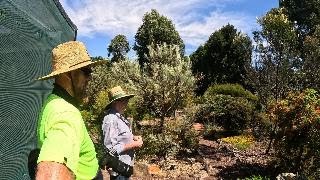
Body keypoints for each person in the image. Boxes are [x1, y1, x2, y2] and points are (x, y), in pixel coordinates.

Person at [36, 41, 103, 180]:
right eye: (87, 71)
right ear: (68, 75)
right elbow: (50, 176)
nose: (90, 78)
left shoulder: (53, 101)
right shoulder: (66, 113)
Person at [102, 86, 143, 180]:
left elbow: (121, 136)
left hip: (124, 167)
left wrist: (133, 137)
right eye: (124, 100)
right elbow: (110, 149)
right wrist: (133, 145)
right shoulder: (111, 119)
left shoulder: (118, 117)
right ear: (115, 102)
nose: (127, 102)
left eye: (126, 100)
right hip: (118, 168)